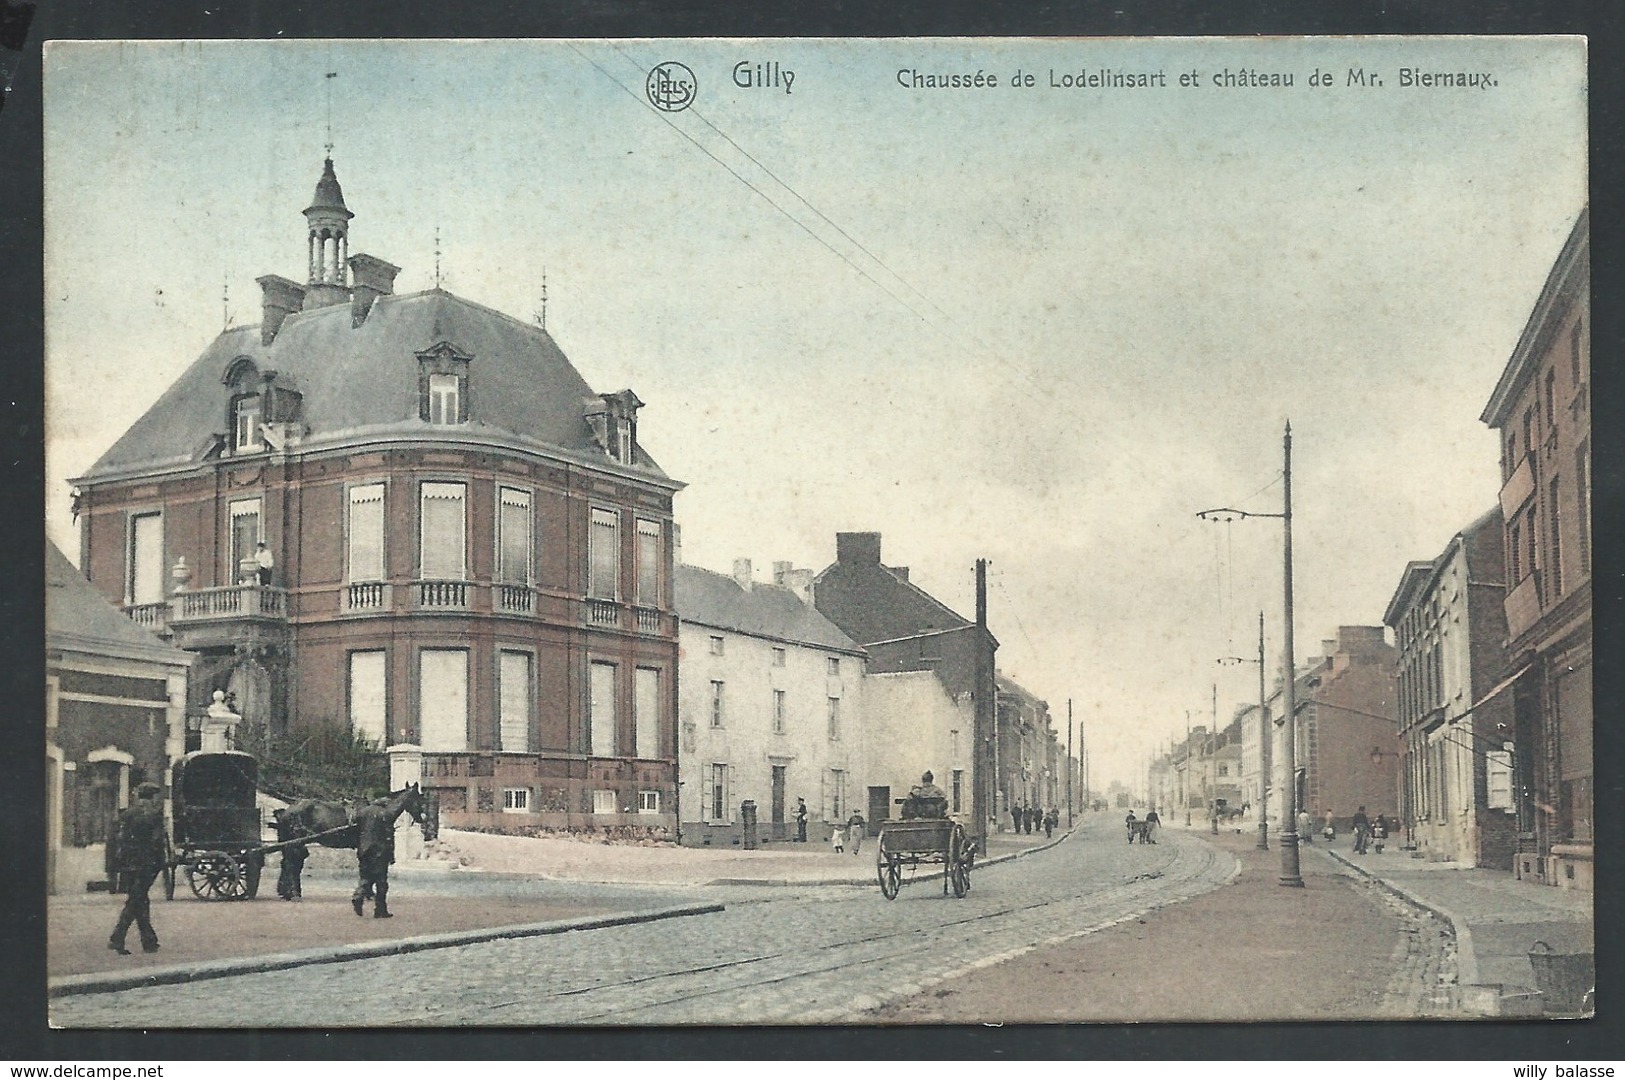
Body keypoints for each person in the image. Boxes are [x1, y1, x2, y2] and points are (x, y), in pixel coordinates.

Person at [108, 782, 167, 955]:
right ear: (152, 797)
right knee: (136, 900)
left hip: (128, 864)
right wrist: (160, 862)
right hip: (147, 864)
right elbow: (157, 842)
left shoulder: (127, 814)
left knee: (140, 900)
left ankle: (149, 941)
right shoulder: (154, 815)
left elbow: (118, 839)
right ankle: (117, 937)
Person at [351, 796, 397, 918]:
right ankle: (380, 910)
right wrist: (391, 854)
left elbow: (355, 828)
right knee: (381, 882)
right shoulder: (386, 814)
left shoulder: (363, 812)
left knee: (365, 877)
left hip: (364, 850)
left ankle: (358, 896)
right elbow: (389, 836)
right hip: (380, 852)